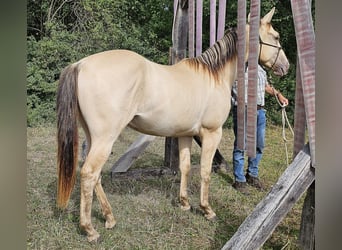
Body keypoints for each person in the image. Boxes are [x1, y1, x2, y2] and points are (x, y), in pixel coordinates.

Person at [231, 64, 288, 193]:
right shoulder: (237, 65)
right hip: (243, 109)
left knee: (259, 144)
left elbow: (265, 86)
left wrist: (278, 94)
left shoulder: (260, 68)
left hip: (260, 110)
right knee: (241, 145)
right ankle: (239, 180)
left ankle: (252, 174)